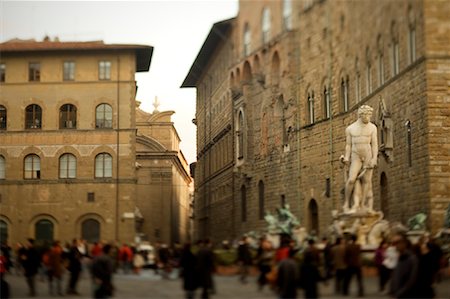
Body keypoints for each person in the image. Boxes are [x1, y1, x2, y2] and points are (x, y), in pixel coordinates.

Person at [342, 105, 378, 212]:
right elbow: (348, 145)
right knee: (351, 179)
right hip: (356, 155)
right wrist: (347, 157)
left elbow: (374, 144)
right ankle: (346, 203)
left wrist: (374, 158)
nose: (368, 118)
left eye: (369, 116)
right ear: (361, 115)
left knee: (367, 181)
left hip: (367, 154)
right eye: (366, 116)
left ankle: (362, 205)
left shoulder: (372, 128)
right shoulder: (350, 129)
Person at [389, 233, 418, 298]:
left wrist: (399, 293)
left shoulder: (412, 258)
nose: (395, 245)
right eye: (393, 243)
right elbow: (395, 275)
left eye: (397, 242)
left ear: (404, 243)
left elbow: (411, 280)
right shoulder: (399, 257)